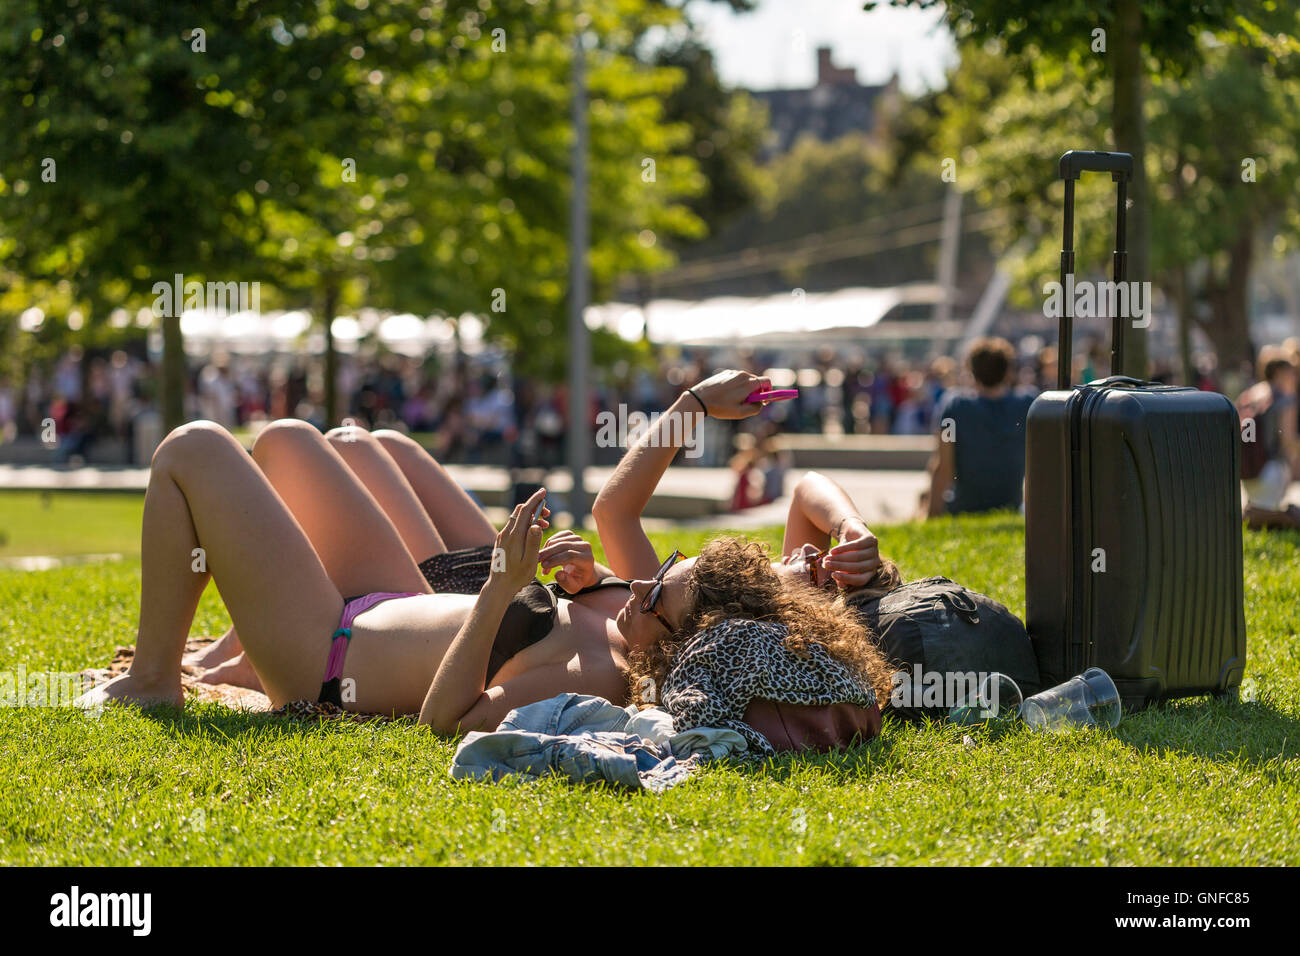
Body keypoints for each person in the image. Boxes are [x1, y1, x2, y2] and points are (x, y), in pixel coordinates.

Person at [80, 370, 894, 739]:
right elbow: (621, 511)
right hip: (384, 596)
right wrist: (693, 405)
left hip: (329, 654)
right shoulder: (632, 612)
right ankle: (218, 656)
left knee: (190, 448)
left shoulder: (599, 678)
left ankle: (154, 686)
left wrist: (504, 588)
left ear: (685, 643)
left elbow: (447, 718)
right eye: (660, 573)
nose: (642, 585)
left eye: (656, 598)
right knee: (288, 439)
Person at [923, 337, 1035, 518]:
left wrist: (931, 514)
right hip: (1011, 506)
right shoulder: (1028, 405)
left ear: (971, 371)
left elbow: (943, 466)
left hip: (963, 508)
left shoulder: (953, 406)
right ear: (1008, 371)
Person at [1238, 346, 1299, 530]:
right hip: (1272, 471)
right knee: (1280, 518)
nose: (1294, 377)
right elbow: (1287, 440)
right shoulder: (1284, 399)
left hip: (1248, 471)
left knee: (1261, 519)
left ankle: (1251, 515)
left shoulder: (1250, 395)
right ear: (1280, 372)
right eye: (1291, 372)